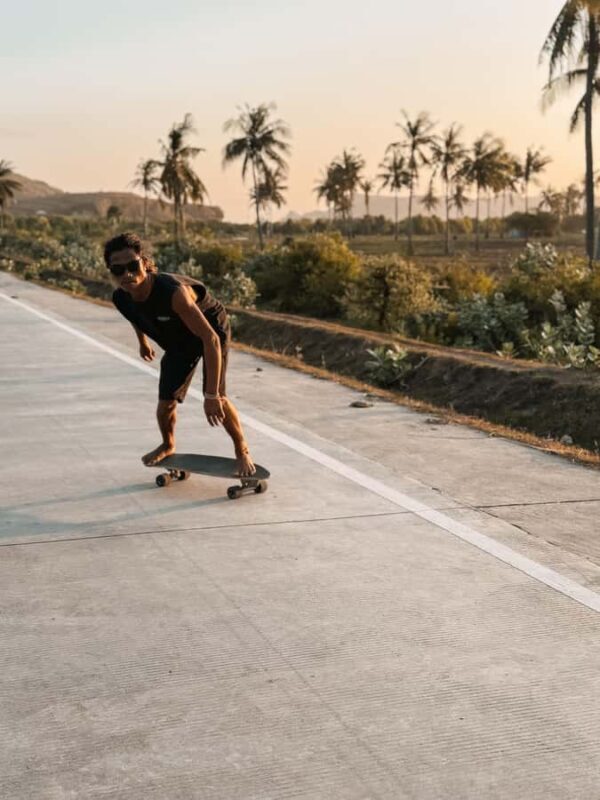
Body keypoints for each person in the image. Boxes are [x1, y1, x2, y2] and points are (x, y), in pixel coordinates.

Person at [104, 232, 255, 476]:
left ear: (144, 262)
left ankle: (242, 449)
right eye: (118, 270)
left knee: (219, 399)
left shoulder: (173, 293)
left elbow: (210, 339)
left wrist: (211, 395)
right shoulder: (121, 297)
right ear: (111, 271)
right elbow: (135, 316)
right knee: (165, 405)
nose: (127, 274)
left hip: (209, 329)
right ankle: (168, 444)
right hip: (178, 339)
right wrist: (142, 341)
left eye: (132, 266)